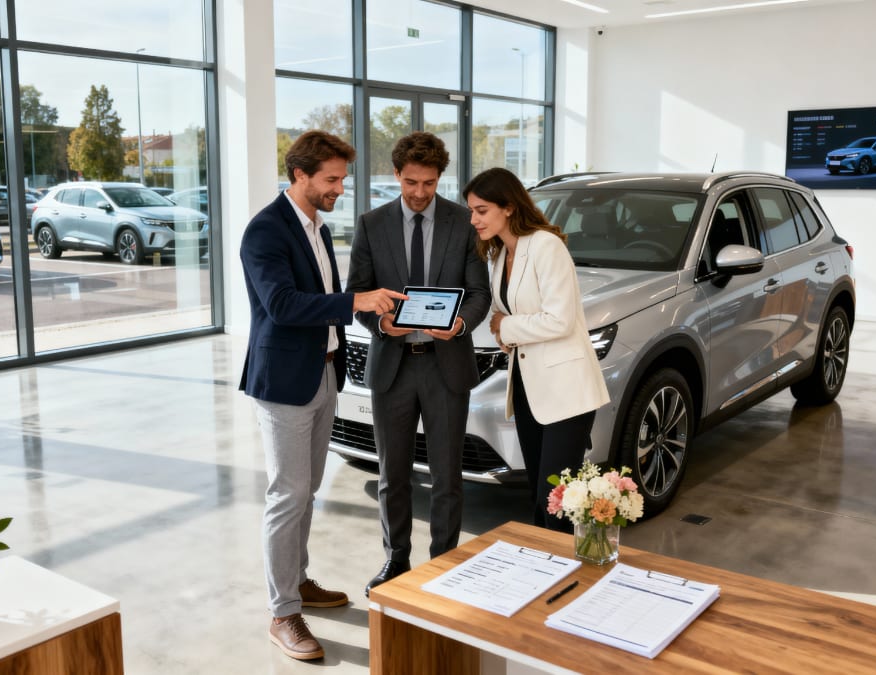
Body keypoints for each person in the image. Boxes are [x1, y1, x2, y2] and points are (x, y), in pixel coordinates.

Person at [240, 130, 406, 661]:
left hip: (324, 373)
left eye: (342, 178)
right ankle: (283, 613)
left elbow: (326, 300)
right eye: (331, 179)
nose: (340, 188)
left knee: (307, 489)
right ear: (300, 175)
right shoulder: (265, 231)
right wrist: (353, 298)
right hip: (285, 382)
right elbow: (285, 306)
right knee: (288, 494)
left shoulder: (317, 227)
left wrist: (375, 311)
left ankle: (298, 580)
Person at [347, 132, 491, 596]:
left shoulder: (463, 223)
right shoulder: (371, 225)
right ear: (396, 175)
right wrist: (380, 326)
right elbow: (360, 292)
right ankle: (396, 559)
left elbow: (479, 293)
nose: (419, 193)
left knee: (447, 475)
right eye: (411, 182)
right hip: (392, 365)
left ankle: (446, 562)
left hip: (445, 364)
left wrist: (462, 325)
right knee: (393, 475)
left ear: (439, 178)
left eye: (429, 183)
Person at [463, 167, 610, 533]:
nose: (473, 219)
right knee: (540, 494)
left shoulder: (546, 246)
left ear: (509, 207)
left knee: (557, 498)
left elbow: (560, 320)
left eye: (481, 210)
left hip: (566, 389)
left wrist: (506, 328)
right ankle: (544, 573)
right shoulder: (498, 254)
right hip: (529, 386)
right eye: (471, 210)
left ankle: (564, 577)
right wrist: (504, 328)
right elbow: (508, 312)